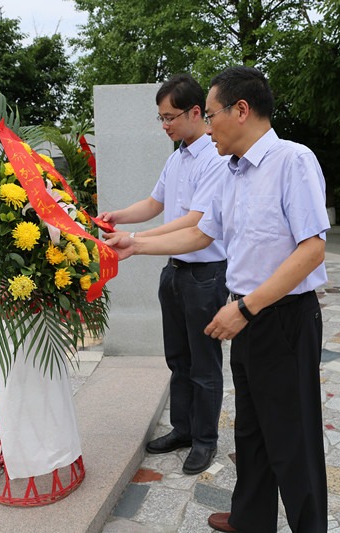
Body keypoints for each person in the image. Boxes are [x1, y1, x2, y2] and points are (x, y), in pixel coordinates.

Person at [105, 66, 330, 533]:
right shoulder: (231, 173)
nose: (207, 128)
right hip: (245, 315)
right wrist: (136, 245)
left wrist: (246, 307)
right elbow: (201, 232)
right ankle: (251, 519)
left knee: (293, 438)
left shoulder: (292, 161)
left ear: (240, 110)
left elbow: (312, 249)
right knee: (251, 430)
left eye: (210, 116)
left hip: (283, 318)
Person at [99, 74, 230, 475]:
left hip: (205, 274)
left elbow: (194, 220)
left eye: (170, 117)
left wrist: (136, 240)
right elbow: (155, 202)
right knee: (178, 358)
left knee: (204, 363)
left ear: (196, 112)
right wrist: (118, 216)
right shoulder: (177, 158)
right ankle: (183, 429)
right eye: (161, 118)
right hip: (173, 271)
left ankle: (205, 440)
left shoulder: (215, 159)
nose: (165, 125)